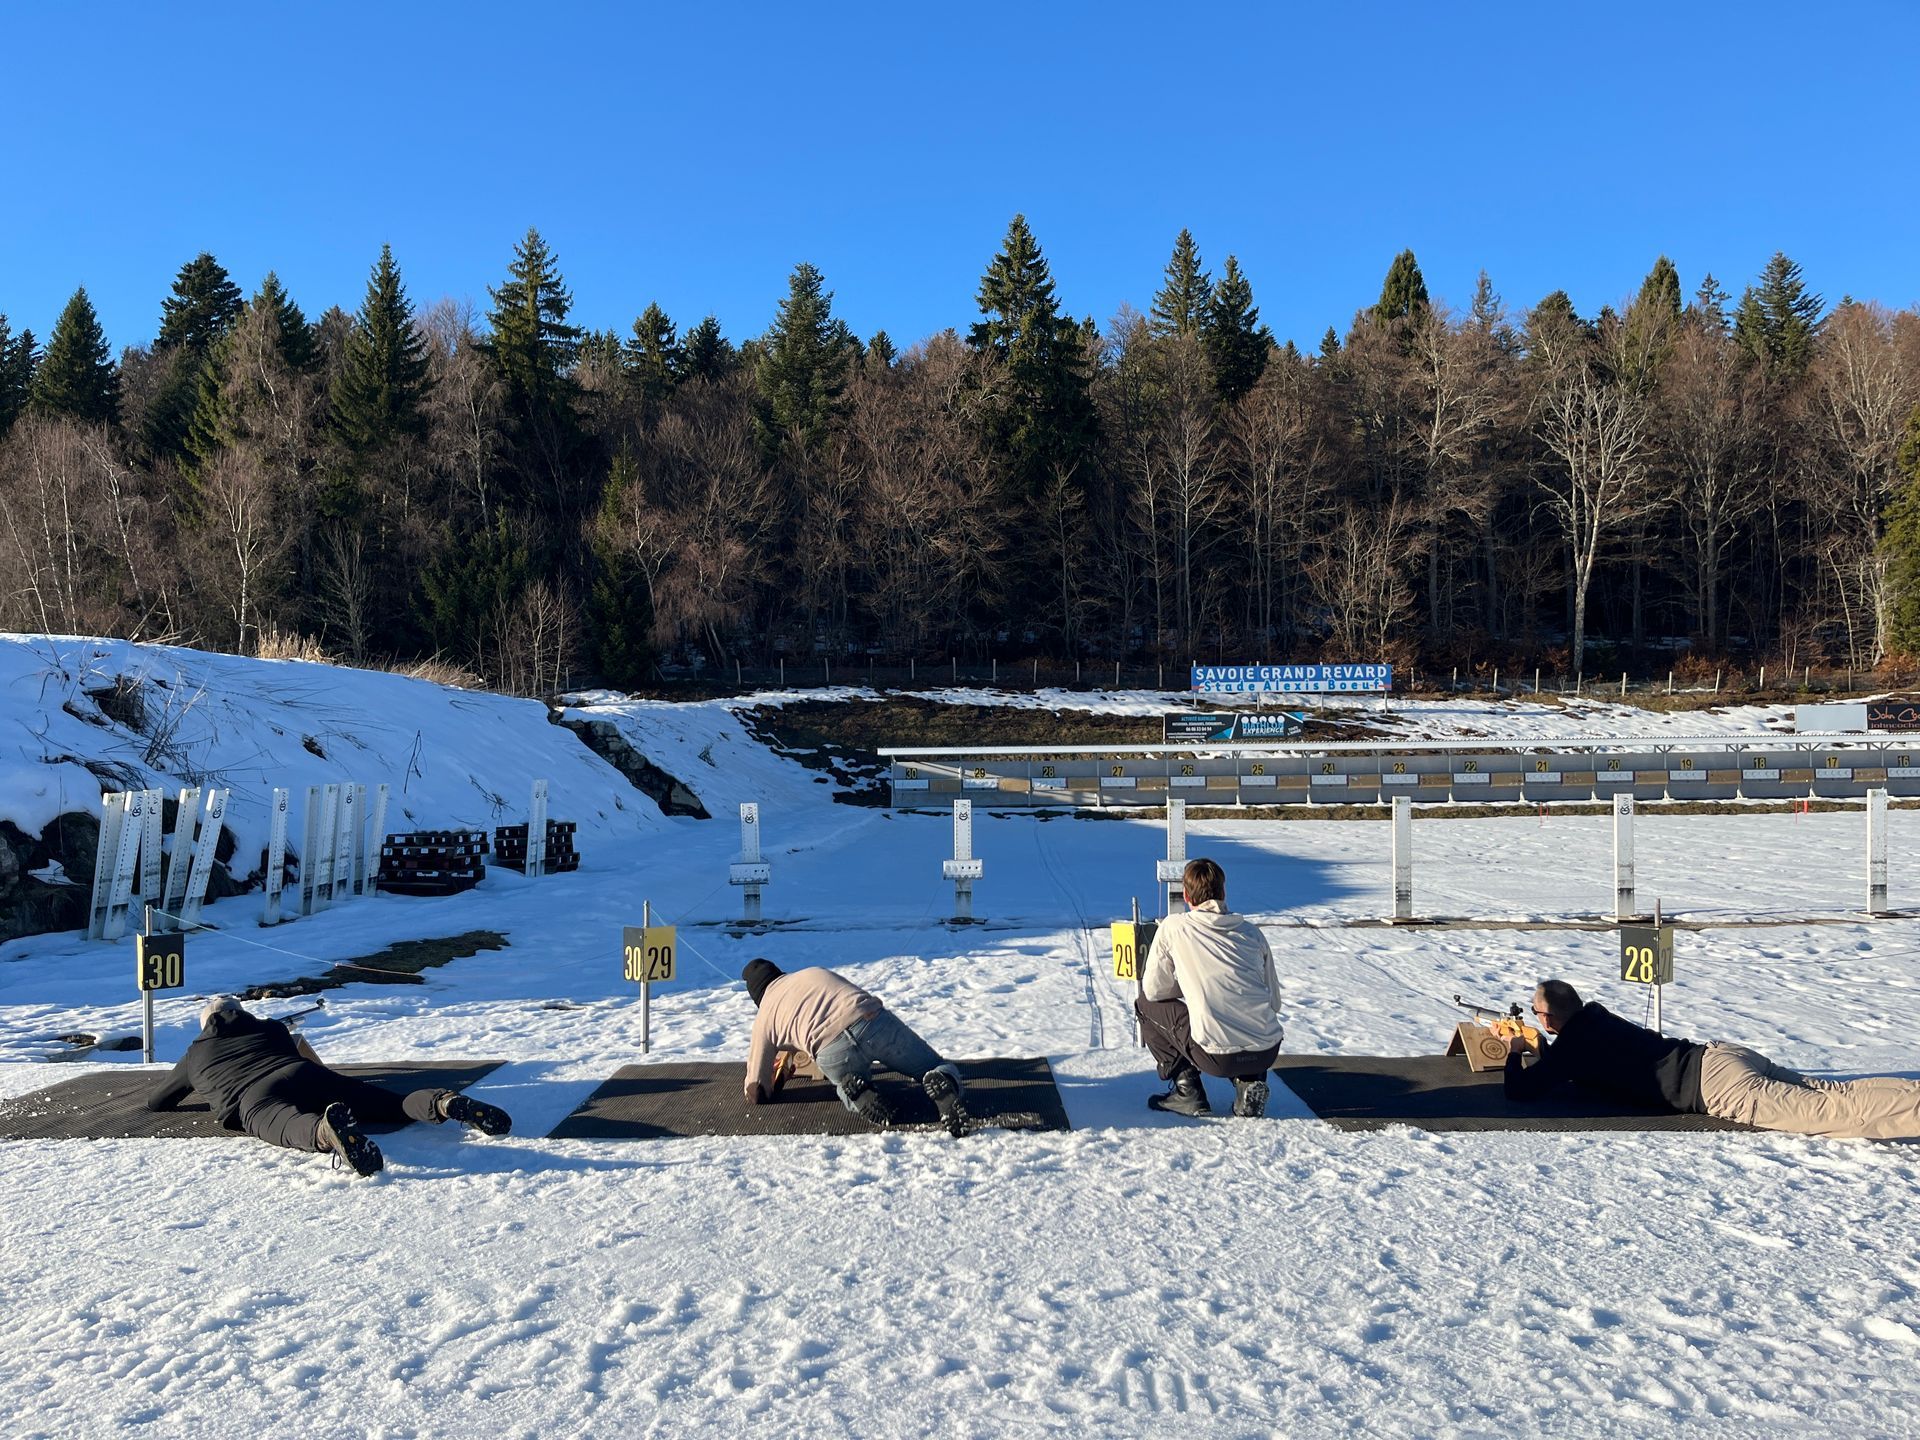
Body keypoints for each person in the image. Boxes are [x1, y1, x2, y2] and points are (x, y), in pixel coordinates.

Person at [1507, 979, 1920, 1140]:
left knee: (1828, 1112)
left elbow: (1522, 1090)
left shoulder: (1574, 1044)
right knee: (1832, 1091)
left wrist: (1512, 1051)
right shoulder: (1595, 1018)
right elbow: (1571, 1063)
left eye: (1536, 1013)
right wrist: (1538, 1048)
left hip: (1715, 1087)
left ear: (1549, 1017)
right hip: (1721, 1056)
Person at [146, 997, 512, 1175]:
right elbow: (289, 1047)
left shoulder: (195, 1054)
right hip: (305, 1073)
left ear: (204, 1024)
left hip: (254, 1097)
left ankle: (326, 1132)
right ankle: (445, 1104)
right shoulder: (271, 1027)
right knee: (390, 1103)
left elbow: (159, 1101)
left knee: (287, 1125)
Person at [741, 959, 970, 1136]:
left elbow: (757, 1091)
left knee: (843, 1083)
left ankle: (857, 1093)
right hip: (871, 1021)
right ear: (778, 973)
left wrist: (777, 1080)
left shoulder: (764, 1017)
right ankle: (943, 1082)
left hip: (830, 1049)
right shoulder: (812, 972)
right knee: (934, 1065)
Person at [1135, 857, 1285, 1118]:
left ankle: (1187, 1091)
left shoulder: (1174, 927)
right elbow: (1274, 1001)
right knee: (1240, 1014)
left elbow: (1154, 991)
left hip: (1215, 1057)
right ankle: (1249, 1083)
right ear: (1224, 892)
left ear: (1186, 894)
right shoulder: (1252, 933)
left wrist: (1192, 990)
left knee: (1144, 1005)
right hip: (1267, 1051)